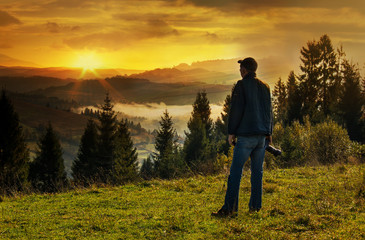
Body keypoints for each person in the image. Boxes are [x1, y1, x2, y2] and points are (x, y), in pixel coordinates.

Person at [212, 57, 273, 217]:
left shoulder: (241, 85)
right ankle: (255, 208)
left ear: (245, 70)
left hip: (246, 137)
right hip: (261, 137)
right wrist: (269, 133)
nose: (240, 70)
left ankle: (230, 209)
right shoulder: (265, 87)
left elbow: (236, 110)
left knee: (235, 173)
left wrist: (231, 132)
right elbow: (269, 112)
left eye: (241, 68)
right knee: (257, 173)